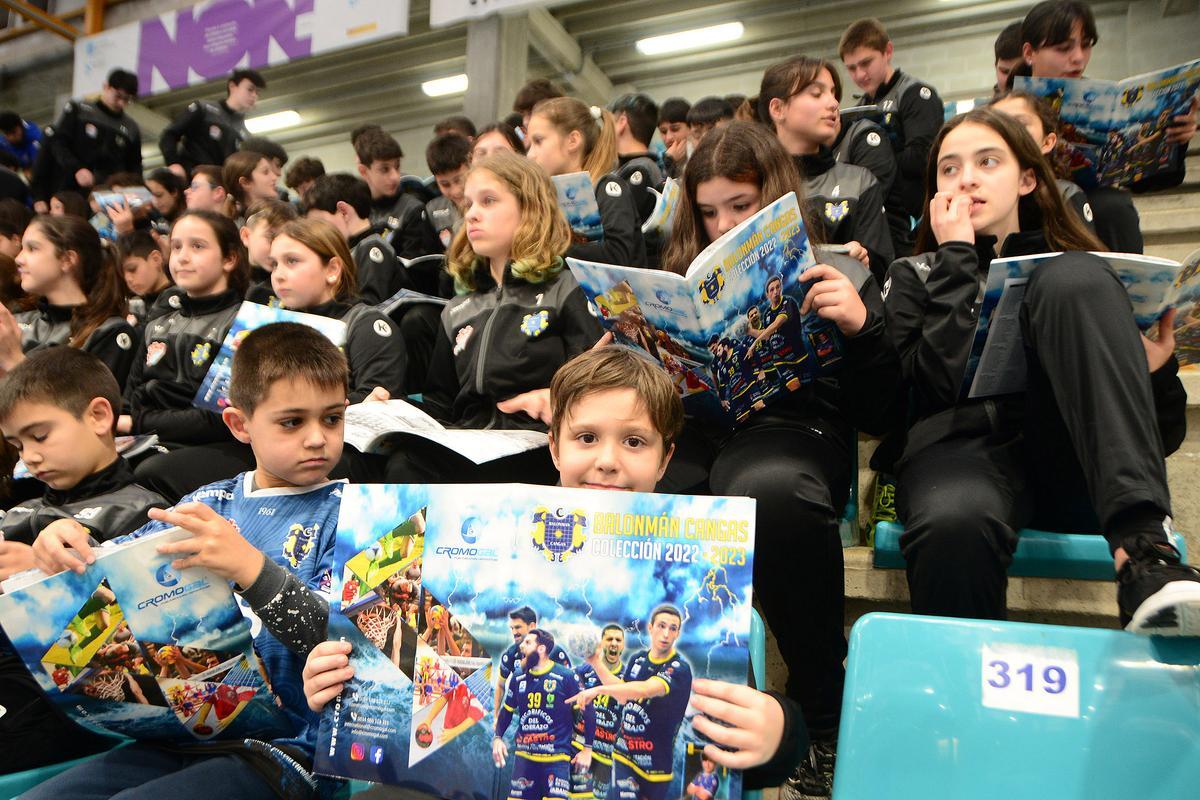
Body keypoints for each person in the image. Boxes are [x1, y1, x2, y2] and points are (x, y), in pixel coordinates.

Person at [302, 346, 809, 793]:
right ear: (554, 447)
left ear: (665, 458)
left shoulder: (695, 565)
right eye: (586, 437)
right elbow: (369, 594)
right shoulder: (470, 526)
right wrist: (340, 678)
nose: (608, 460)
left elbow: (740, 746)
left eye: (635, 442)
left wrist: (778, 732)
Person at [883, 106, 1200, 635]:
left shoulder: (1084, 274)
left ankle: (1147, 557)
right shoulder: (913, 275)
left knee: (1070, 275)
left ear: (1028, 178)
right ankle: (964, 706)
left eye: (988, 161)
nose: (967, 179)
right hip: (961, 455)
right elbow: (937, 387)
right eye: (949, 168)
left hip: (1069, 457)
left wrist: (1154, 372)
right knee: (953, 522)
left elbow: (1163, 436)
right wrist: (957, 256)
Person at [661, 120, 898, 799]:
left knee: (770, 492)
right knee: (630, 488)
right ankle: (672, 712)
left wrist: (858, 327)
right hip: (699, 432)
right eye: (708, 212)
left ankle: (823, 717)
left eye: (741, 206)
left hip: (795, 432)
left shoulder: (841, 265)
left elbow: (883, 414)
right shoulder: (680, 276)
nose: (723, 224)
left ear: (776, 198)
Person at [27, 322, 351, 799]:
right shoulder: (207, 503)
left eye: (332, 418)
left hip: (288, 752)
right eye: (291, 421)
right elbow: (110, 569)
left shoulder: (355, 512)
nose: (317, 438)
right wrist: (65, 542)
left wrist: (252, 571)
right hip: (179, 735)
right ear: (240, 425)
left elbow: (351, 642)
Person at [0, 348, 166, 773]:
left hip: (68, 695)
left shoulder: (141, 512)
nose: (28, 457)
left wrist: (37, 579)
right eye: (18, 444)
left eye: (39, 436)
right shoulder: (19, 511)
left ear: (97, 416)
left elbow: (149, 639)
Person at [1015, 0, 1190, 248]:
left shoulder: (1105, 101)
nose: (1078, 58)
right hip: (1032, 209)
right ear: (1029, 53)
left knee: (1114, 204)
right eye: (1063, 48)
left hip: (1099, 206)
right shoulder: (1005, 109)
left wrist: (1176, 139)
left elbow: (1145, 180)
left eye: (1086, 46)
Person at [121, 211, 249, 496]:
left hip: (217, 447)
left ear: (229, 258)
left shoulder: (243, 325)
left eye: (197, 246)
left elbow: (219, 419)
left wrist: (139, 421)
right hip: (153, 439)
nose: (182, 257)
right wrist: (135, 420)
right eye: (176, 246)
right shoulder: (156, 326)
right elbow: (131, 402)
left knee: (146, 471)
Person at [759, 57, 894, 279]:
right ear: (777, 108)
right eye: (816, 93)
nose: (833, 103)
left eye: (833, 93)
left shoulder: (859, 182)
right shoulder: (755, 184)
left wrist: (861, 261)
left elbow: (882, 272)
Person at [268, 218, 407, 404]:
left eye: (292, 261)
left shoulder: (366, 326)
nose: (278, 275)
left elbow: (378, 405)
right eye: (274, 264)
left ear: (332, 269)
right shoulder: (270, 326)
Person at [568, 605, 690, 800]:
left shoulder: (679, 668)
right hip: (624, 754)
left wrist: (598, 689)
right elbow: (622, 694)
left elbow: (644, 689)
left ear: (677, 633)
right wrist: (595, 662)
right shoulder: (637, 659)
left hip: (655, 765)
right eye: (661, 626)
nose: (666, 633)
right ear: (650, 628)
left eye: (673, 628)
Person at [838, 18, 943, 242]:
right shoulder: (858, 110)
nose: (859, 75)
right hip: (876, 219)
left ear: (888, 51)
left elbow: (923, 158)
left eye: (866, 63)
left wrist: (874, 160)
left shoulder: (915, 94)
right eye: (851, 68)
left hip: (915, 221)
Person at [2, 214, 136, 386]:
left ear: (67, 259)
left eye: (32, 249)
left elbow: (77, 408)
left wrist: (13, 360)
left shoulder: (107, 332)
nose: (19, 259)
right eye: (21, 248)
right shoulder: (18, 320)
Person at [527, 97, 648, 268]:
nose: (530, 154)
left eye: (538, 141)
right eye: (530, 144)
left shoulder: (607, 188)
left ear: (573, 140)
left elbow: (617, 255)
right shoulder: (547, 196)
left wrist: (548, 253)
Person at [492, 629, 592, 800]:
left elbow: (589, 711)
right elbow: (507, 711)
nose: (521, 646)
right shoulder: (518, 678)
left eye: (527, 643)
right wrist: (497, 737)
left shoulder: (566, 676)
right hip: (524, 759)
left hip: (556, 759)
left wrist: (587, 749)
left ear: (541, 649)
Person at [988, 90, 1102, 237]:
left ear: (1047, 142)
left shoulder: (1064, 197)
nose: (1008, 133)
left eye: (1020, 124)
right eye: (997, 127)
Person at [303, 173, 411, 304]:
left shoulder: (372, 246)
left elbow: (369, 304)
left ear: (344, 212)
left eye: (320, 222)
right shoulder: (351, 249)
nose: (317, 231)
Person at [45, 68, 142, 197]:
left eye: (127, 99)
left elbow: (134, 166)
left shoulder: (131, 128)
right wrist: (76, 168)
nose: (121, 103)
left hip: (108, 193)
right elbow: (58, 143)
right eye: (118, 96)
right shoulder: (79, 110)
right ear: (106, 87)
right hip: (69, 188)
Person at [159, 69, 265, 177]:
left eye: (257, 92)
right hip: (190, 180)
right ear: (232, 86)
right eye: (250, 89)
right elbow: (169, 134)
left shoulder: (245, 136)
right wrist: (173, 163)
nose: (254, 95)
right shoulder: (203, 109)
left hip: (218, 188)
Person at [354, 127, 438, 260]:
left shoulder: (413, 209)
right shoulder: (355, 211)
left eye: (397, 166)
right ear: (363, 171)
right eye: (385, 169)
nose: (395, 176)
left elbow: (419, 273)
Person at [493, 605, 573, 724]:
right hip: (525, 717)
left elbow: (571, 688)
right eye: (512, 628)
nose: (514, 632)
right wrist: (496, 716)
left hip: (553, 718)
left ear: (532, 626)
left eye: (518, 627)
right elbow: (500, 685)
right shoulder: (510, 655)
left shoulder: (555, 653)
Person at [609, 93, 666, 219]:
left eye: (609, 123)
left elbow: (617, 219)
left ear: (622, 122)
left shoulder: (641, 168)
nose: (605, 131)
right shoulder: (636, 166)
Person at [240, 198, 298, 304]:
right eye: (270, 237)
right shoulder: (227, 282)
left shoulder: (295, 284)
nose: (277, 248)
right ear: (246, 236)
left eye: (285, 240)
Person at [424, 133, 471, 251]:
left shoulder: (488, 204)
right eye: (445, 184)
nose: (456, 191)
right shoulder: (432, 210)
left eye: (460, 180)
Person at [117, 229, 173, 325]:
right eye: (122, 273)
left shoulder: (182, 303)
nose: (128, 279)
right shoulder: (131, 309)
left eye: (132, 269)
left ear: (156, 259)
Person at [224, 150, 280, 219]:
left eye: (272, 171)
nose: (274, 177)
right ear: (245, 182)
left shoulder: (281, 213)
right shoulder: (238, 225)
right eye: (265, 172)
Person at [657, 97, 692, 179]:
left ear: (690, 127)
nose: (669, 138)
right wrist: (669, 164)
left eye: (675, 129)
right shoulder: (660, 162)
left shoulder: (704, 157)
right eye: (663, 131)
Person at [993, 21, 1024, 96]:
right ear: (995, 66)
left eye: (1019, 73)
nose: (1010, 80)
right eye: (1005, 72)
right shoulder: (985, 107)